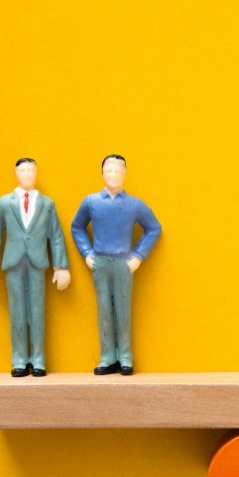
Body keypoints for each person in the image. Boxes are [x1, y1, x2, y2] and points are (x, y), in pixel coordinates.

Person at [71, 154, 161, 376]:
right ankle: (108, 356)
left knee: (122, 310)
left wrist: (138, 256)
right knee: (104, 310)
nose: (113, 175)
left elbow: (154, 228)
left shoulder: (134, 205)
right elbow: (77, 227)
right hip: (100, 262)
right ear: (102, 174)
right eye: (109, 171)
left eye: (118, 171)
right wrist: (87, 252)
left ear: (125, 174)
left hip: (123, 264)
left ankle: (125, 356)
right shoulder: (91, 202)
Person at [0, 158, 71, 377]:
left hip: (37, 262)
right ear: (15, 173)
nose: (26, 174)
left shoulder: (47, 204)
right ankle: (19, 359)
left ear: (36, 173)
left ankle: (39, 359)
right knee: (17, 311)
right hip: (13, 262)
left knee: (37, 311)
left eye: (30, 170)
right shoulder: (5, 202)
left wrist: (61, 266)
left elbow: (56, 236)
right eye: (22, 170)